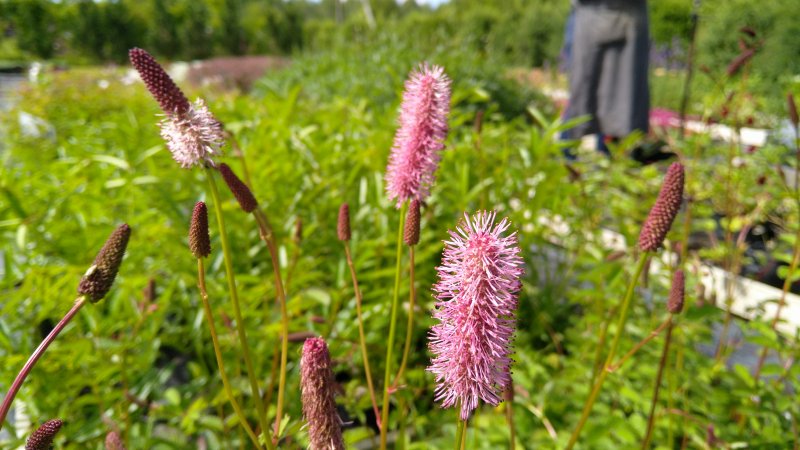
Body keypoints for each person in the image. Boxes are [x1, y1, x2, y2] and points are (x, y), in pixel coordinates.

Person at [562, 0, 666, 161]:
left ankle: (608, 163)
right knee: (581, 97)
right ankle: (566, 162)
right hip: (588, 14)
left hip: (629, 16)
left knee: (621, 99)